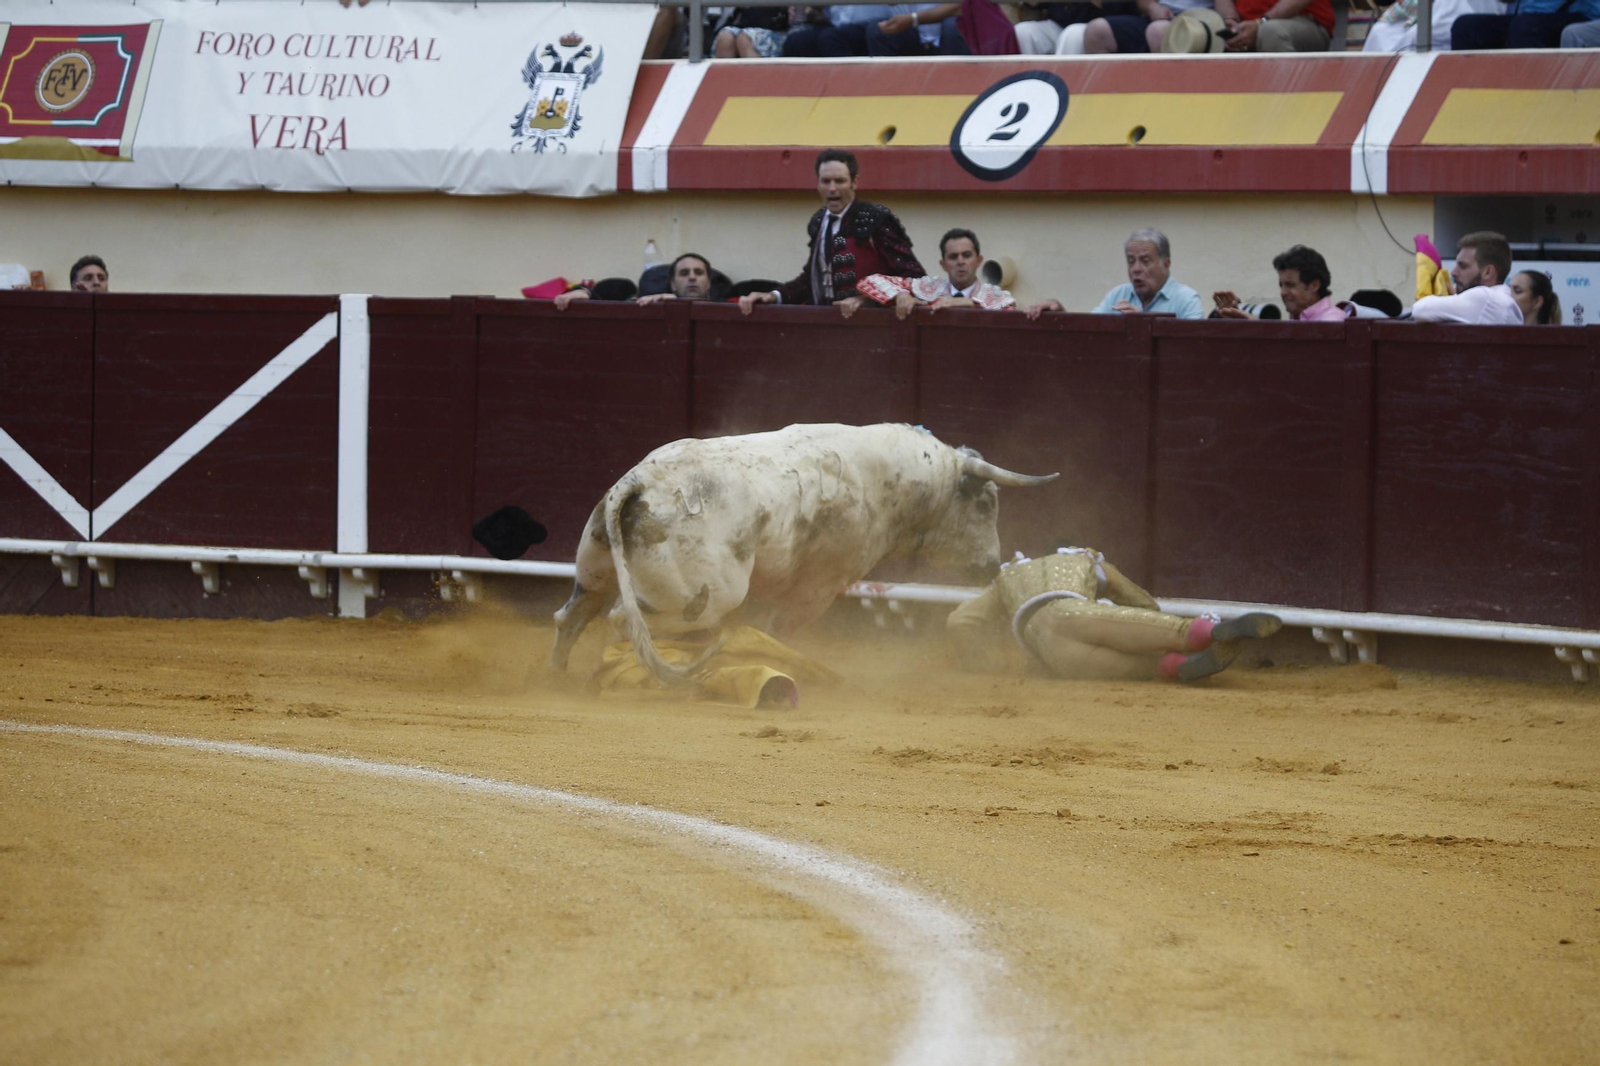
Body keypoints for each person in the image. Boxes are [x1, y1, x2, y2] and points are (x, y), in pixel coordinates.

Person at [946, 547, 1283, 681]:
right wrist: (1146, 621)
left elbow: (960, 622)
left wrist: (982, 669)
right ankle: (1204, 633)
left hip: (1053, 659)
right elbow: (1136, 599)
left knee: (1149, 669)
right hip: (1072, 612)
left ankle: (1174, 667)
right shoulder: (1083, 558)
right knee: (1176, 632)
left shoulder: (1006, 577)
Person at [739, 149, 923, 317]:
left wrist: (867, 300)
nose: (832, 188)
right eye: (826, 181)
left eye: (840, 181)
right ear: (818, 185)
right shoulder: (819, 221)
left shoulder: (876, 219)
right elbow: (812, 279)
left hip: (872, 327)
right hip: (828, 328)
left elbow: (913, 278)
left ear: (854, 182)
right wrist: (773, 295)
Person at [1025, 228, 1203, 320]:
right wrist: (1058, 310)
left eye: (1145, 261)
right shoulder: (1118, 295)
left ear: (1166, 264)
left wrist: (1143, 323)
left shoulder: (1187, 300)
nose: (1136, 269)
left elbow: (1194, 352)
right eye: (1131, 261)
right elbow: (1088, 333)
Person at [855, 228, 1016, 319]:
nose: (960, 262)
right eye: (953, 257)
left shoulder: (996, 298)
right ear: (943, 264)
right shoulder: (929, 288)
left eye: (966, 255)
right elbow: (868, 281)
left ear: (979, 260)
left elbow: (1011, 318)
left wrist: (969, 303)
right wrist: (901, 295)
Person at [1412, 231, 1522, 326]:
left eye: (1463, 266)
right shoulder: (1498, 299)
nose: (1454, 272)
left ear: (1488, 272)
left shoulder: (1486, 298)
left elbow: (1420, 309)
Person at [1215, 245, 1345, 322]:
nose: (1283, 292)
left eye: (1290, 285)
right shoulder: (1298, 317)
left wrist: (1258, 328)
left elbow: (1300, 356)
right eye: (1281, 285)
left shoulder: (1331, 320)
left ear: (1314, 285)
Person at [555, 252, 717, 309]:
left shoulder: (727, 307)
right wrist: (585, 293)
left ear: (709, 282)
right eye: (684, 273)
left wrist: (679, 302)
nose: (692, 277)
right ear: (672, 284)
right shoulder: (644, 303)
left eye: (698, 272)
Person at [1452, 0, 1600, 49]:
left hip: (1583, 17)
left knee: (1526, 27)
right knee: (1466, 27)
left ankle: (1535, 104)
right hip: (1527, 18)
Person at [1084, 0, 1217, 53]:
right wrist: (1151, 7)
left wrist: (1230, 20)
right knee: (1097, 31)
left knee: (1158, 31)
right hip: (1157, 17)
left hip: (1200, 24)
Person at [1213, 0, 1334, 51]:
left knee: (1270, 32)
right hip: (1246, 26)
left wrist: (1260, 23)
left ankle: (1289, 101)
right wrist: (1231, 22)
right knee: (1203, 36)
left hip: (1304, 21)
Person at [782, 4, 893, 55]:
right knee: (795, 42)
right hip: (838, 27)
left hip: (876, 24)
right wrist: (811, 13)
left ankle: (850, 91)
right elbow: (829, 15)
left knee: (831, 38)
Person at [869, 3, 969, 54]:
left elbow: (961, 6)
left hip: (948, 36)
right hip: (914, 33)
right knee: (877, 30)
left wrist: (915, 18)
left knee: (953, 27)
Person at [713, 7, 792, 57]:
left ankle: (758, 82)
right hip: (746, 26)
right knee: (726, 36)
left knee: (744, 37)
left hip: (781, 30)